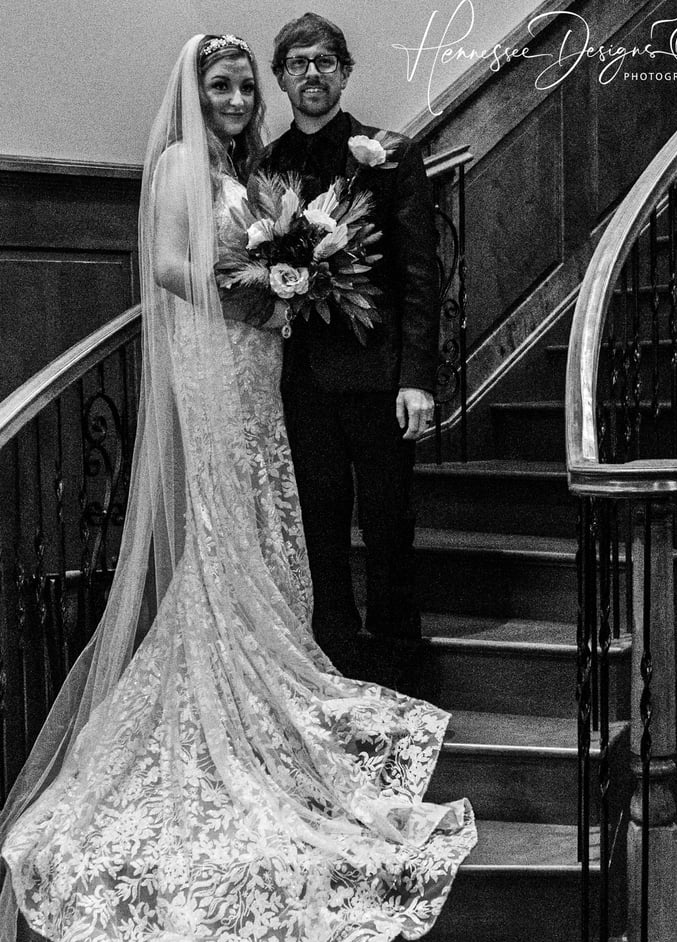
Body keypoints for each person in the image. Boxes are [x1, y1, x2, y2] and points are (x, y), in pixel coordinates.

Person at [0, 34, 475, 942]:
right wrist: (258, 285)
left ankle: (309, 656)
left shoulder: (259, 172)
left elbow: (371, 267)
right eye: (221, 82)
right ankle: (238, 680)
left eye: (239, 82)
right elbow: (171, 265)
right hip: (220, 362)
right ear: (194, 93)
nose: (233, 94)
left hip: (267, 369)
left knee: (287, 524)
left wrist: (283, 282)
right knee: (230, 530)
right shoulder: (180, 165)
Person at [262, 13, 439, 683]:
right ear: (281, 77)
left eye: (325, 61)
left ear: (345, 72)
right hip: (301, 382)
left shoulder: (390, 153)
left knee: (391, 525)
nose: (313, 72)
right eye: (299, 62)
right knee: (321, 529)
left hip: (379, 376)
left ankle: (401, 667)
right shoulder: (266, 165)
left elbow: (420, 277)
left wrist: (417, 378)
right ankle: (336, 663)